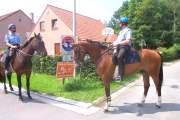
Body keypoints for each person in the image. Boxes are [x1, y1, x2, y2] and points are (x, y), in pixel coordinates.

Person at [113, 17, 132, 81]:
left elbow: (127, 41)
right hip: (119, 46)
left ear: (123, 23)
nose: (119, 24)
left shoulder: (128, 30)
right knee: (112, 55)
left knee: (119, 57)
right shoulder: (121, 32)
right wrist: (113, 43)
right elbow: (117, 40)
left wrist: (118, 43)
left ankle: (120, 76)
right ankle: (114, 73)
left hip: (125, 46)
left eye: (120, 23)